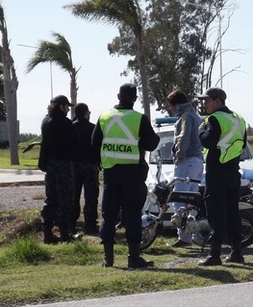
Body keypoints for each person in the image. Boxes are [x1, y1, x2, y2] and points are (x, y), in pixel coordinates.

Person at [92, 83, 160, 269]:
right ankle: (133, 257)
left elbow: (94, 143)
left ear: (118, 96)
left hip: (111, 172)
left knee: (109, 214)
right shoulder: (139, 119)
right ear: (135, 99)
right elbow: (152, 144)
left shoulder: (104, 117)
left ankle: (108, 258)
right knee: (132, 215)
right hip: (133, 173)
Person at [197, 87, 247, 266]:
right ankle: (237, 252)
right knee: (233, 212)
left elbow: (208, 141)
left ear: (218, 101)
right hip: (233, 170)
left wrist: (200, 130)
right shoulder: (238, 119)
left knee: (216, 213)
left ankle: (214, 254)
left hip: (216, 171)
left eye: (207, 100)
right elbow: (242, 144)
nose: (204, 104)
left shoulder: (214, 119)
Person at [166, 89, 204, 247]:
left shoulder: (185, 117)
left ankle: (184, 238)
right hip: (197, 161)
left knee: (179, 199)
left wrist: (178, 157)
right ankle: (196, 235)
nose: (169, 109)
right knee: (191, 201)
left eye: (170, 105)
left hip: (186, 161)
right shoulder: (195, 115)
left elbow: (183, 138)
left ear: (175, 104)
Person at [38, 95, 78, 243]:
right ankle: (65, 234)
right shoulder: (65, 122)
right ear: (61, 106)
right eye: (67, 106)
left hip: (49, 165)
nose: (68, 109)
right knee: (65, 200)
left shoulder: (45, 121)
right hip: (63, 165)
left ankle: (47, 233)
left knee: (51, 199)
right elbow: (75, 143)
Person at [71, 103, 100, 234]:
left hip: (73, 166)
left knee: (73, 196)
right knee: (91, 197)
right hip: (90, 165)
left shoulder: (70, 128)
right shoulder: (93, 128)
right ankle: (90, 225)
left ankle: (71, 224)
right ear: (86, 113)